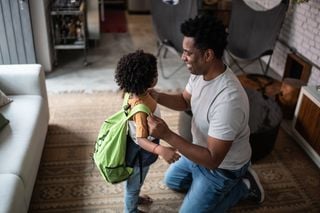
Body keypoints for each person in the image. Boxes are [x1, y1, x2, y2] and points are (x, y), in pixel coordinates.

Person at [147, 14, 265, 212]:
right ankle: (204, 188)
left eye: (188, 53)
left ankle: (244, 186)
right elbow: (185, 100)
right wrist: (157, 96)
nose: (182, 57)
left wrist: (166, 135)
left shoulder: (228, 100)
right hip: (198, 152)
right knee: (172, 181)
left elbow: (212, 159)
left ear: (208, 55)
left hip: (221, 168)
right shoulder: (201, 73)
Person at [114, 50, 181, 213]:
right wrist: (161, 150)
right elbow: (142, 140)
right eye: (156, 73)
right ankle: (130, 210)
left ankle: (135, 198)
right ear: (150, 80)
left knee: (135, 181)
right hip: (139, 152)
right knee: (133, 184)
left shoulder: (132, 92)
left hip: (135, 146)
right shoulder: (141, 109)